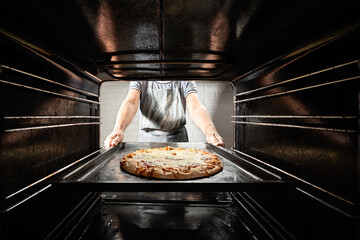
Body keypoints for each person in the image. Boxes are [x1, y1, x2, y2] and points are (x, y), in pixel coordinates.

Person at [104, 81, 224, 149]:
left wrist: (210, 131)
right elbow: (130, 102)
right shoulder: (141, 77)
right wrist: (118, 129)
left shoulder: (184, 79)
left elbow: (196, 107)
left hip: (179, 142)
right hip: (147, 142)